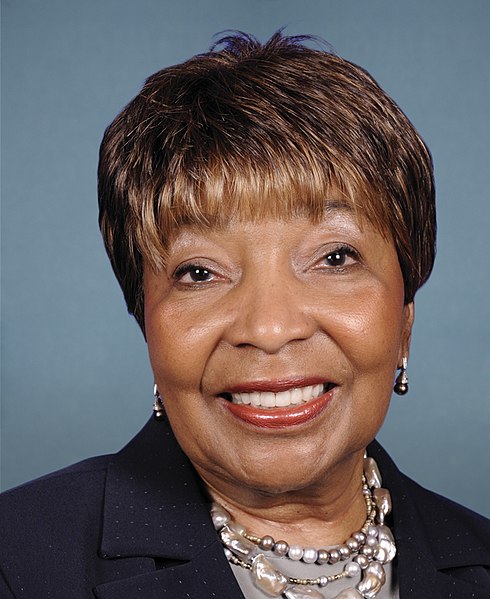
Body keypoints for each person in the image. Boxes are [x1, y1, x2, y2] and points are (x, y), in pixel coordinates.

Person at [1, 31, 489, 599]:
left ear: (404, 319)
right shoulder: (20, 564)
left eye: (334, 258)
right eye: (199, 272)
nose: (269, 328)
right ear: (146, 320)